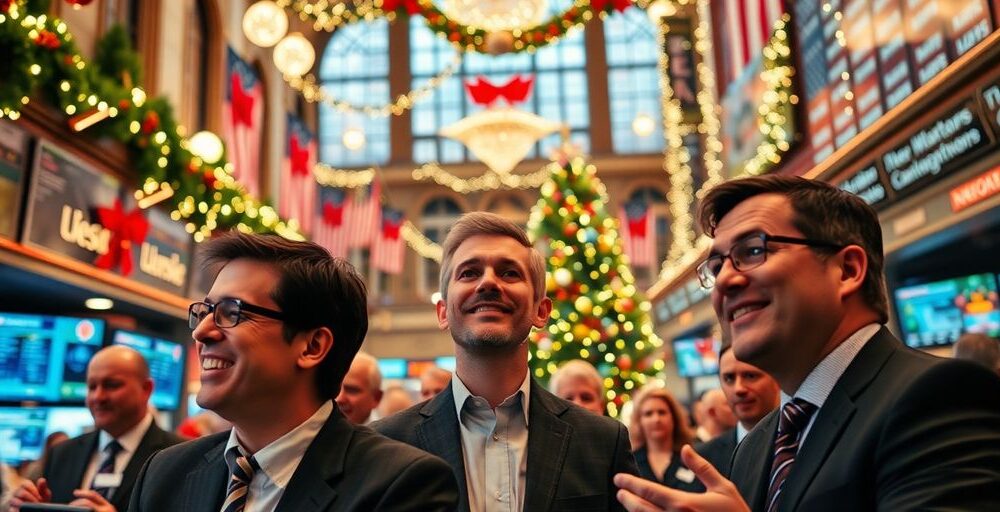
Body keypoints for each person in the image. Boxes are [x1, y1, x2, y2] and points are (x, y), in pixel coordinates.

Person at [614, 175, 1000, 511]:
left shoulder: (937, 397)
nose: (726, 280)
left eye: (752, 251)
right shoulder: (756, 446)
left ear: (847, 270)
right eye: (717, 266)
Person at [128, 233, 458, 511]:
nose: (201, 332)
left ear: (312, 347)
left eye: (232, 312)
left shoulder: (400, 485)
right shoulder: (164, 474)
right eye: (204, 312)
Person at [373, 212, 637, 511]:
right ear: (443, 312)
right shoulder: (386, 445)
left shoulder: (602, 441)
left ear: (541, 310)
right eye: (469, 273)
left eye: (509, 273)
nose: (488, 283)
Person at [10, 346, 184, 512]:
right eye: (92, 386)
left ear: (146, 389)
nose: (98, 397)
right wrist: (37, 508)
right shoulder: (62, 453)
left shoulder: (180, 456)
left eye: (112, 385)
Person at [695, 344, 780, 476]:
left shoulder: (798, 443)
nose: (738, 389)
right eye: (729, 378)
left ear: (776, 378)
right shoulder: (703, 457)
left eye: (750, 376)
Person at [629, 386, 702, 493]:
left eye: (662, 412)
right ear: (639, 421)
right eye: (648, 414)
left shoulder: (693, 457)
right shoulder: (631, 462)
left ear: (674, 418)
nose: (656, 419)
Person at [336, 352, 383, 424]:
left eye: (351, 390)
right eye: (335, 389)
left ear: (376, 398)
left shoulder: (386, 433)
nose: (339, 399)